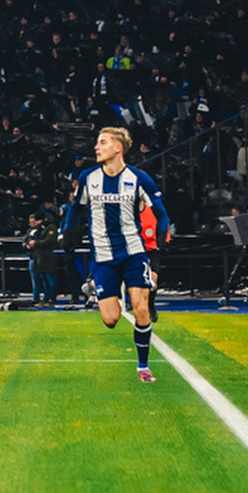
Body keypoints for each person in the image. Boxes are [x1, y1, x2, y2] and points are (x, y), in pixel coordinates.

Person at [68, 125, 164, 383]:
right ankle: (99, 287)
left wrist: (159, 251)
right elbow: (75, 209)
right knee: (110, 319)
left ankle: (143, 367)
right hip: (104, 258)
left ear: (117, 147)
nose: (96, 147)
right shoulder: (88, 178)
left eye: (102, 142)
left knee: (141, 308)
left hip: (134, 253)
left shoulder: (139, 178)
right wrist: (68, 234)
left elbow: (161, 214)